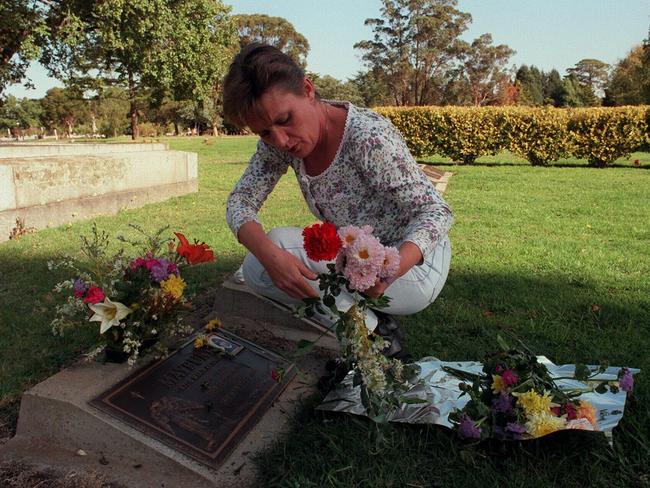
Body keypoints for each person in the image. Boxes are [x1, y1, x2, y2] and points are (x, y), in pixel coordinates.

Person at [223, 43, 453, 357]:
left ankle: (373, 340)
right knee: (259, 268)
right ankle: (370, 330)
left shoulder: (367, 138)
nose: (280, 140)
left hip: (413, 267)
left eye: (285, 119)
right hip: (353, 262)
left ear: (307, 89)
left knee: (277, 244)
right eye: (264, 133)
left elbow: (436, 212)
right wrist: (269, 256)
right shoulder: (278, 143)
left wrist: (388, 271)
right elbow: (240, 200)